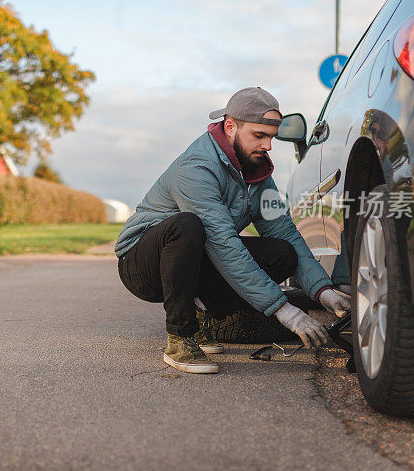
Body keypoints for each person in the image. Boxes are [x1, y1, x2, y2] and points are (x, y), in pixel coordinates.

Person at [114, 86, 351, 374]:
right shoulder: (197, 167)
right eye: (259, 136)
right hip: (143, 264)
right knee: (188, 225)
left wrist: (321, 290)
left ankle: (204, 317)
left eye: (272, 138)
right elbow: (223, 243)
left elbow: (284, 231)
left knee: (282, 253)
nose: (267, 146)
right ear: (230, 127)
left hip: (198, 256)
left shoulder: (258, 171)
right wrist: (284, 310)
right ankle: (180, 336)